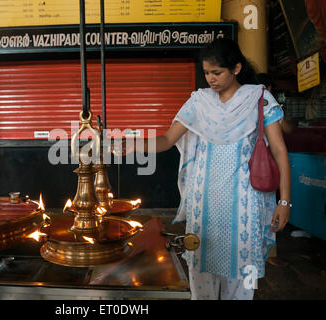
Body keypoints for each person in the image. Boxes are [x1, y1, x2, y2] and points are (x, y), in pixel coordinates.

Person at [117, 38, 291, 300]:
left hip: (244, 205)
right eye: (207, 72)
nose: (211, 79)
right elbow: (167, 139)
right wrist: (131, 146)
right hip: (204, 205)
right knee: (201, 270)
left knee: (241, 276)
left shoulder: (259, 98)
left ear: (236, 68)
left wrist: (285, 202)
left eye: (217, 72)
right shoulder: (199, 102)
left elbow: (279, 150)